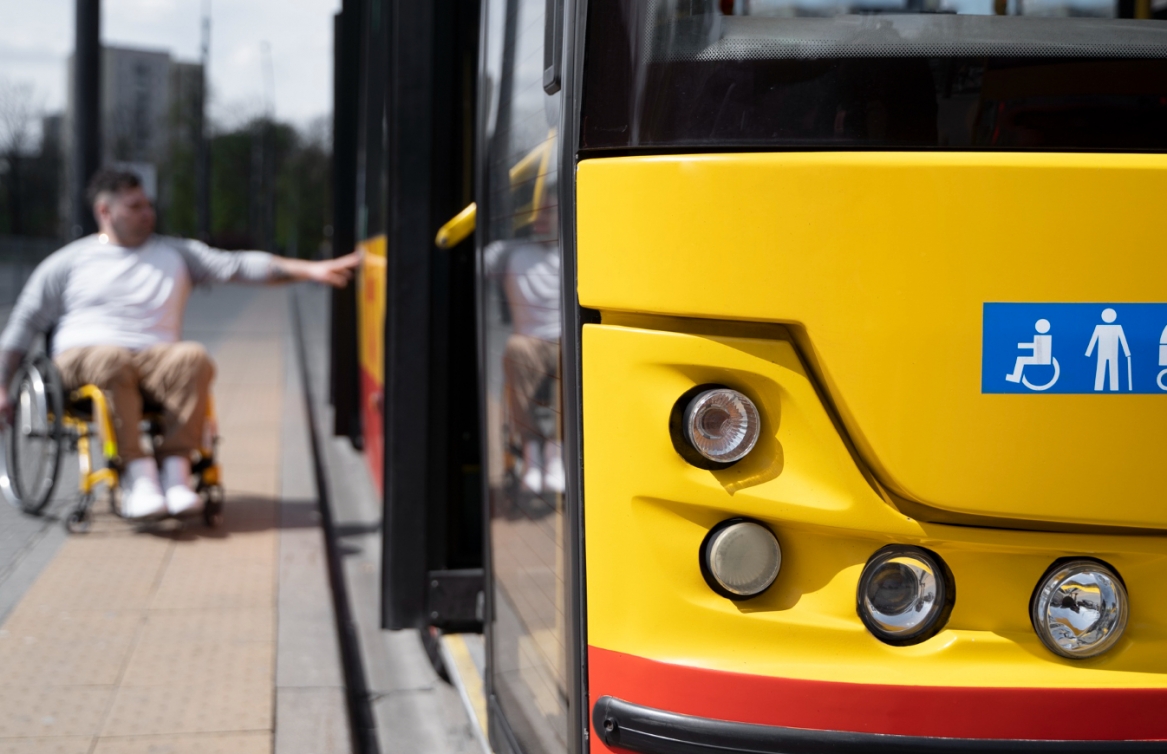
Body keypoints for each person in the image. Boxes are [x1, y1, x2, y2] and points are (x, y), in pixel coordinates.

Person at [0, 169, 360, 519]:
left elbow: (239, 266)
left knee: (194, 357)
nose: (148, 214)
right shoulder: (68, 262)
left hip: (154, 359)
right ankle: (137, 474)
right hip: (84, 358)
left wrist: (311, 271)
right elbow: (25, 322)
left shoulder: (176, 253)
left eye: (148, 205)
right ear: (105, 212)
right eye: (135, 206)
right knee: (111, 359)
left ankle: (176, 471)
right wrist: (3, 385)